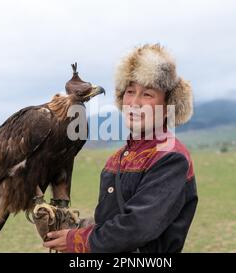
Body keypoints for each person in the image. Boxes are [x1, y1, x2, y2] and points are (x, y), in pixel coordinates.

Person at [44, 44, 198, 253]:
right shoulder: (117, 159)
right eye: (130, 91)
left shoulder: (171, 157)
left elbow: (137, 226)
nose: (134, 102)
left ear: (166, 106)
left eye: (147, 94)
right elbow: (111, 219)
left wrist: (78, 240)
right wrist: (73, 226)